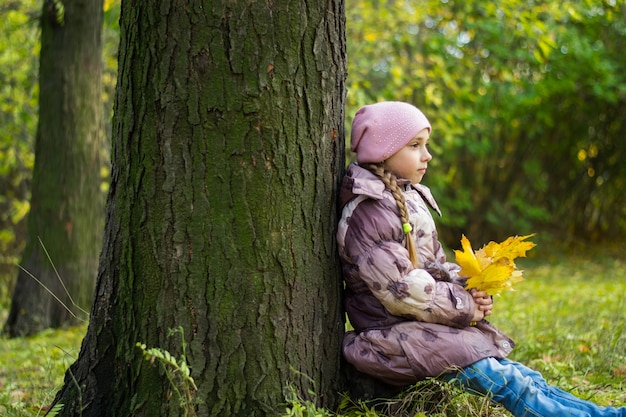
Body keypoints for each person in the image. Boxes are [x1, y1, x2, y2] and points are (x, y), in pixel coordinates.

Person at [337, 101, 625, 417]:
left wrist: (469, 287)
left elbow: (433, 267)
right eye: (415, 145)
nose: (427, 155)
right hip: (393, 338)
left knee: (523, 378)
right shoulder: (369, 212)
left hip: (422, 330)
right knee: (504, 381)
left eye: (426, 145)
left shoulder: (404, 198)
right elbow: (404, 292)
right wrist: (465, 305)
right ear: (383, 151)